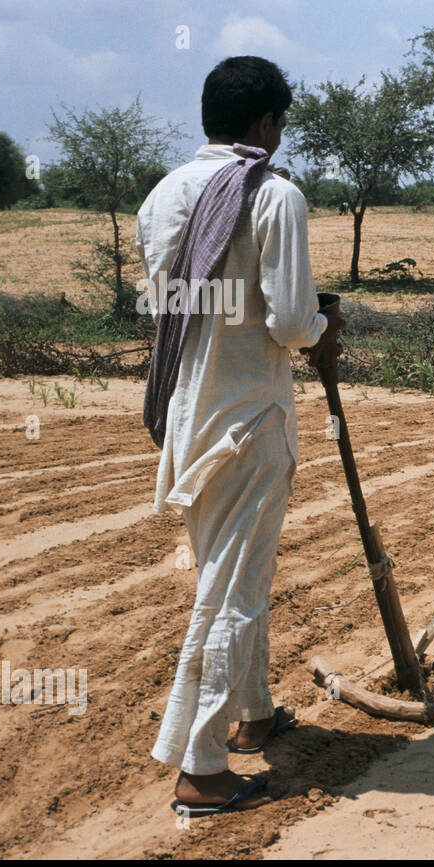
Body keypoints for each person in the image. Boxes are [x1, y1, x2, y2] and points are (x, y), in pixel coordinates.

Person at [137, 56, 344, 815]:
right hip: (250, 419)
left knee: (224, 578)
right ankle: (201, 768)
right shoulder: (274, 196)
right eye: (280, 123)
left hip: (189, 419)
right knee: (233, 594)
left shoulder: (163, 197)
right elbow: (290, 324)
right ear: (266, 123)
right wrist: (326, 325)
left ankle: (253, 717)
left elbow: (171, 307)